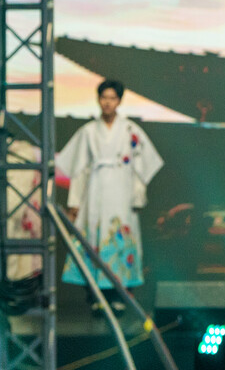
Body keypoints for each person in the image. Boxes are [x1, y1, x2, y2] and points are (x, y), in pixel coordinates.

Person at [57, 79, 163, 290]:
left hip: (121, 191)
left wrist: (137, 196)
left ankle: (122, 290)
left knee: (121, 233)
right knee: (92, 235)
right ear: (98, 99)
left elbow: (141, 167)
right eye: (104, 98)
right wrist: (75, 202)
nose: (107, 103)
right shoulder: (88, 131)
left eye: (112, 98)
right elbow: (79, 170)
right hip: (95, 190)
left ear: (119, 101)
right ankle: (93, 291)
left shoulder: (130, 130)